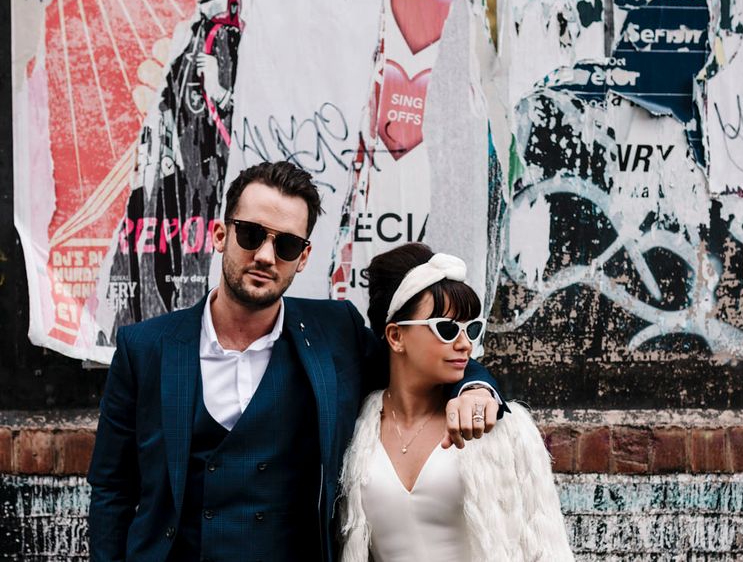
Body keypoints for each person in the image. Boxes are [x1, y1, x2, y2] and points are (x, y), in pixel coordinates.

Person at [87, 161, 504, 562]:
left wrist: (475, 387)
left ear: (303, 258)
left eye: (285, 244)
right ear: (219, 235)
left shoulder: (334, 333)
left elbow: (416, 363)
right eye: (251, 234)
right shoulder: (145, 347)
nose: (266, 256)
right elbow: (111, 488)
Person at [338, 243, 573, 562]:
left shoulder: (500, 426)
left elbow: (548, 550)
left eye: (471, 329)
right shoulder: (356, 431)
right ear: (395, 336)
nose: (464, 344)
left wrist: (477, 388)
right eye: (446, 329)